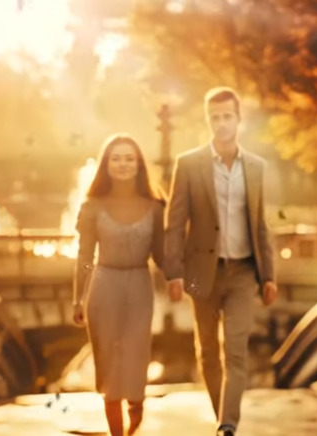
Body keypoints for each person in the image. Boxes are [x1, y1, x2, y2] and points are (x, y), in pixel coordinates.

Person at [164, 87, 277, 436]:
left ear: (239, 120)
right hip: (201, 273)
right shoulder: (189, 164)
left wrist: (269, 275)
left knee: (236, 348)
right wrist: (173, 272)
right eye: (215, 117)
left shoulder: (256, 167)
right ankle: (222, 417)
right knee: (208, 351)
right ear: (207, 120)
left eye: (228, 116)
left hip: (243, 272)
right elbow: (174, 222)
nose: (222, 124)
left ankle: (228, 424)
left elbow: (261, 223)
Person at [72, 133, 165, 436]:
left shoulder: (154, 206)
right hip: (104, 286)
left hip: (139, 285)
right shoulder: (92, 206)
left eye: (129, 158)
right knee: (109, 367)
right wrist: (77, 298)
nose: (123, 164)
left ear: (139, 165)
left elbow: (162, 254)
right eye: (116, 158)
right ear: (106, 165)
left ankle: (136, 406)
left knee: (136, 363)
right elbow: (85, 255)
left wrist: (180, 279)